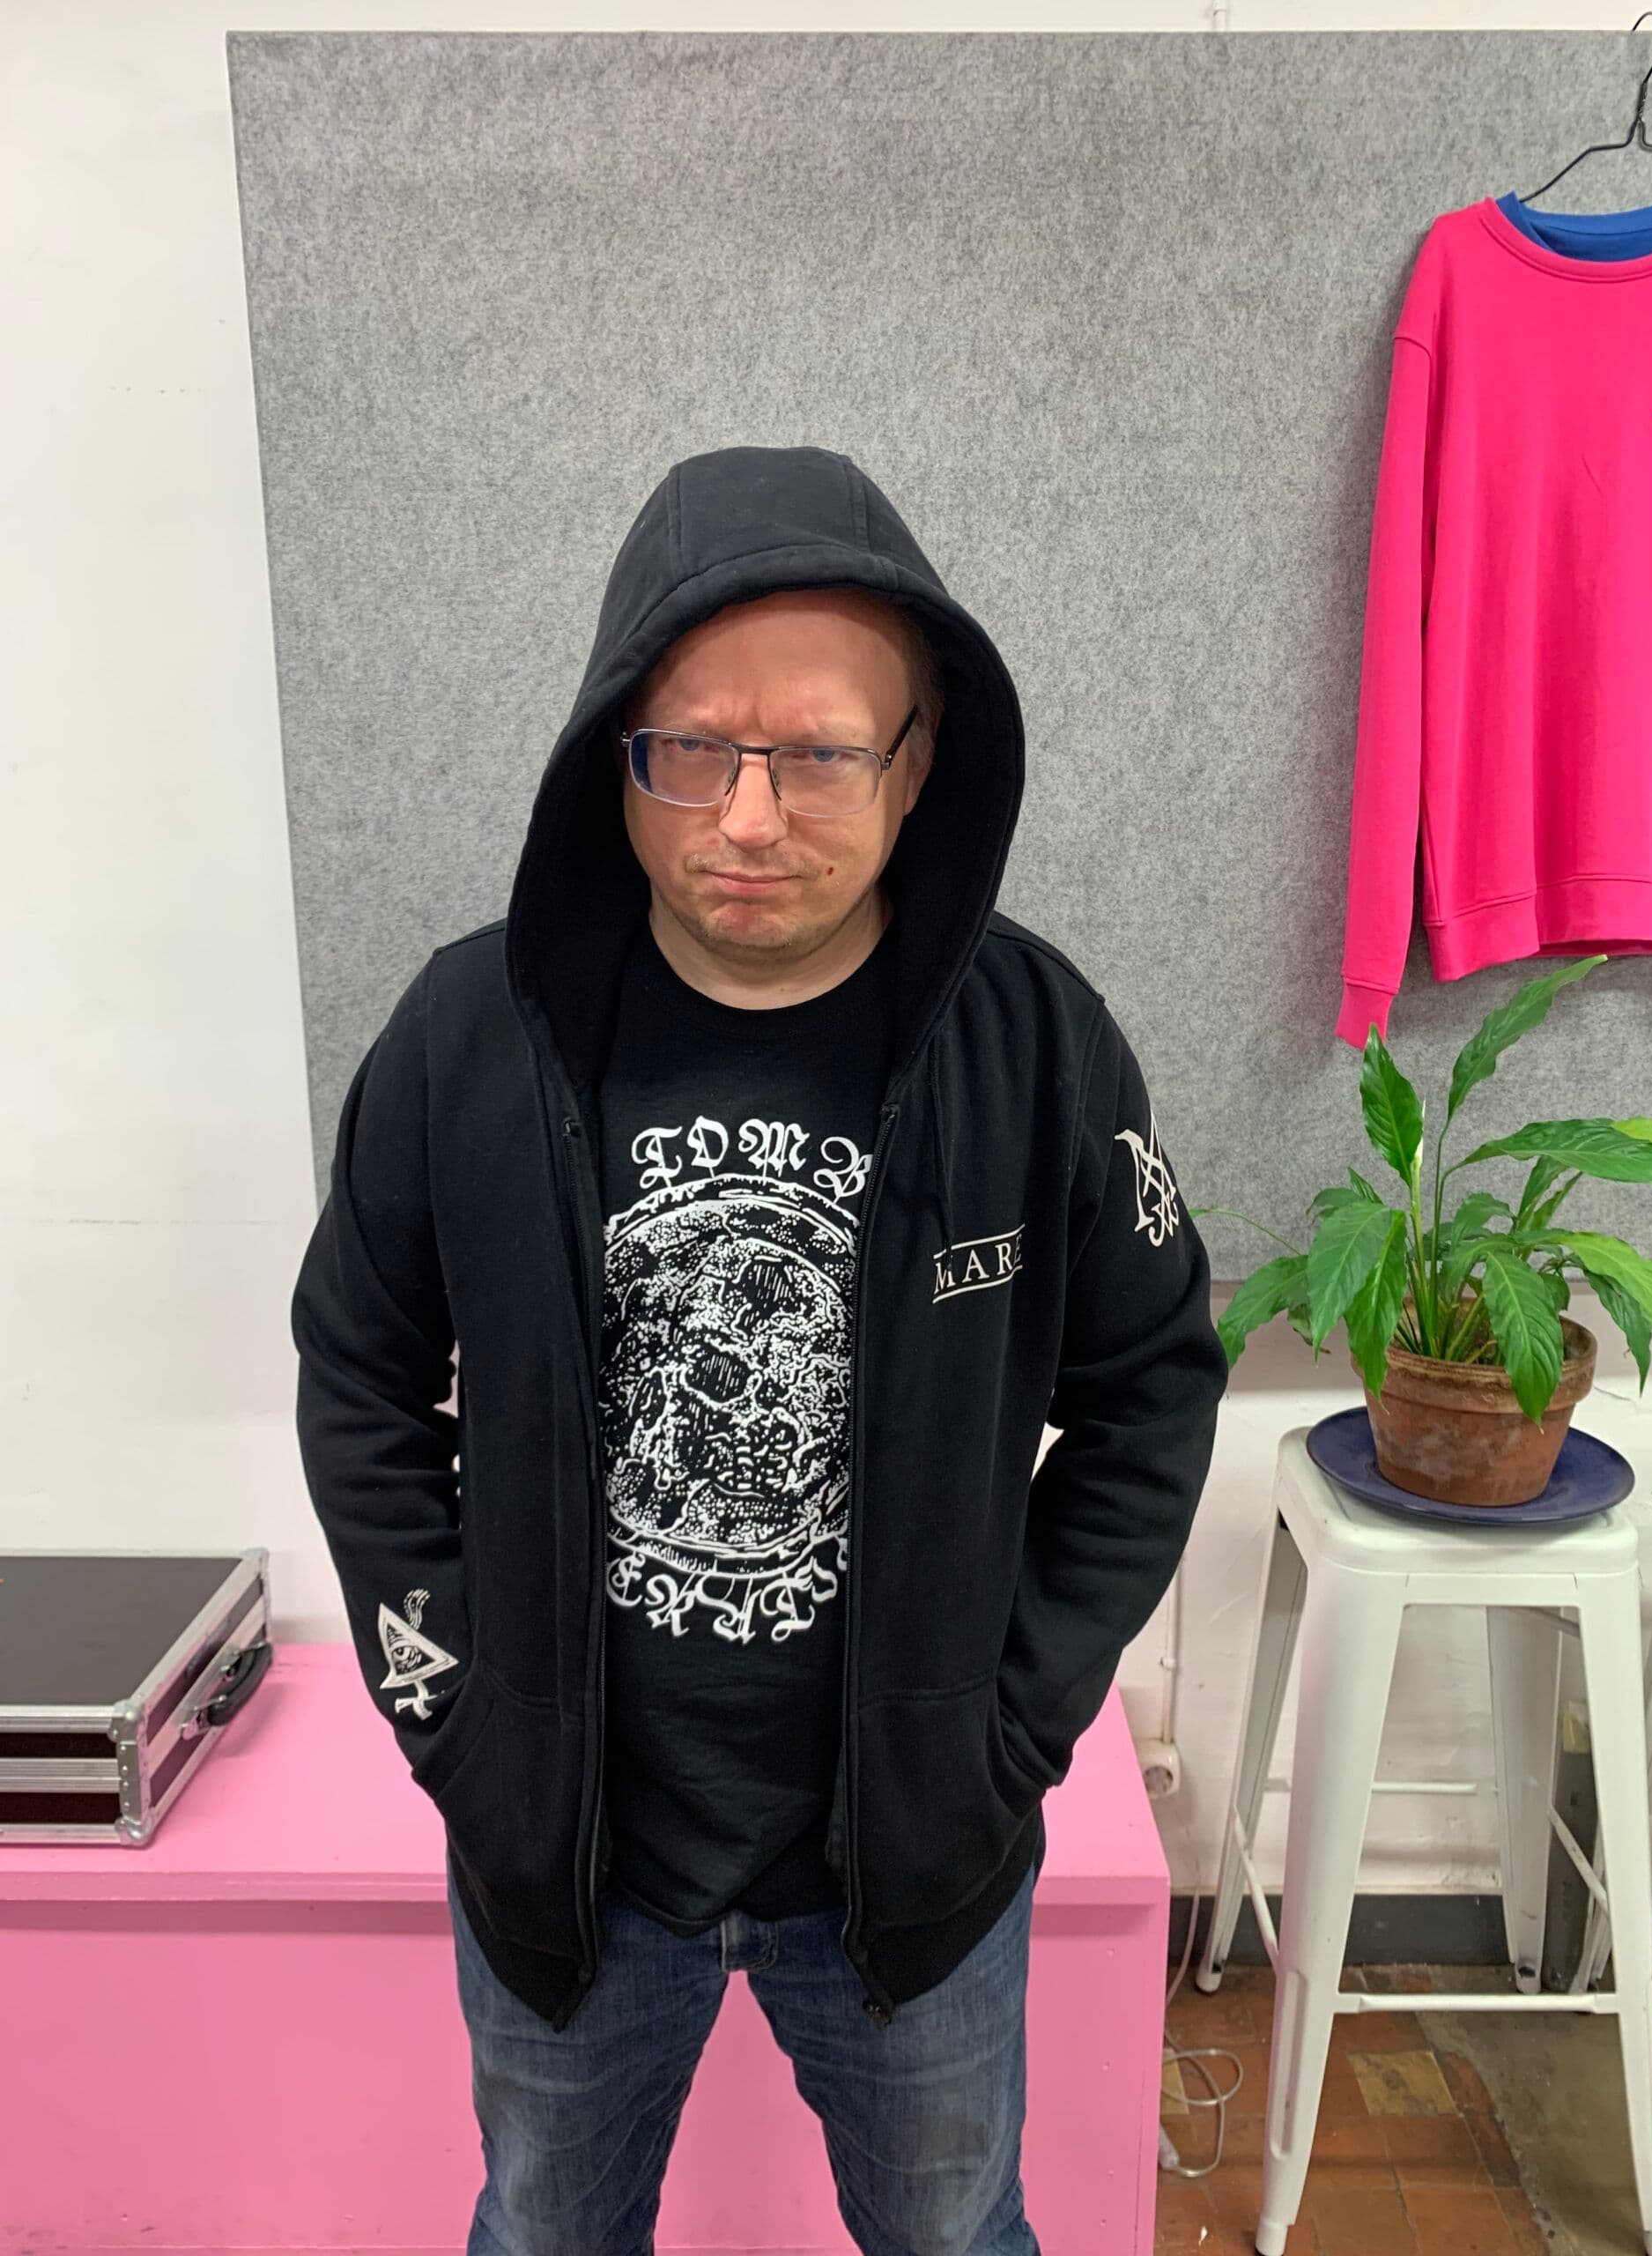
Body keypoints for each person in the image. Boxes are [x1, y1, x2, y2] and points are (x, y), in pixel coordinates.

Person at [291, 442, 1230, 2256]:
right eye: (691, 750)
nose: (744, 816)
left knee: (956, 2231)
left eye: (816, 755)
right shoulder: (467, 1037)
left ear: (918, 758)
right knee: (544, 2229)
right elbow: (357, 1373)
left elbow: (1153, 1392)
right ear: (612, 747)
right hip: (569, 1860)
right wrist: (454, 1717)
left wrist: (1012, 1724)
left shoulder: (1037, 1044)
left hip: (915, 1864)